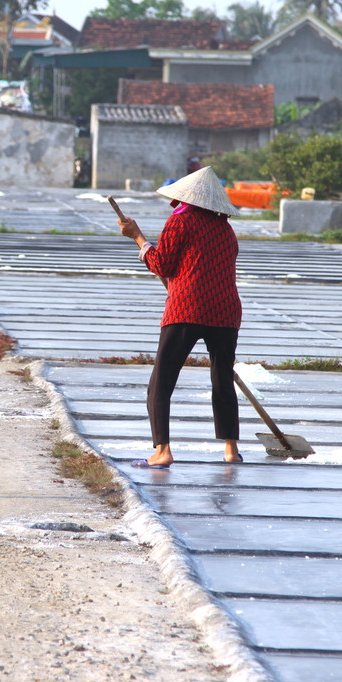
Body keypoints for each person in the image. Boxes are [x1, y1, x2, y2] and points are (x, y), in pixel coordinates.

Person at [116, 167, 242, 467]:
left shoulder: (180, 221)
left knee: (161, 382)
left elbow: (162, 265)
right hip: (226, 311)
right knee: (222, 380)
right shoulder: (226, 229)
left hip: (187, 307)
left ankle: (162, 451)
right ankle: (231, 449)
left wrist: (138, 238)